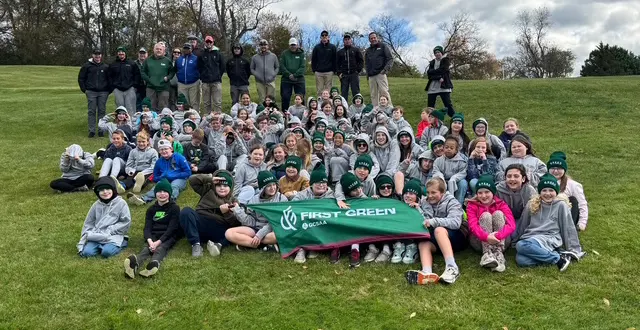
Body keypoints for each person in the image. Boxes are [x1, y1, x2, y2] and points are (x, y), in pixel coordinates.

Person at [513, 173, 584, 271]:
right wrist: (515, 239)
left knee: (521, 245)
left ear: (556, 192)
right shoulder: (531, 204)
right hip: (532, 237)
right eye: (544, 190)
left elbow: (568, 227)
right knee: (521, 260)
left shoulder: (561, 205)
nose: (547, 193)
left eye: (551, 190)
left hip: (550, 237)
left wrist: (574, 249)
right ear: (540, 192)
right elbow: (523, 223)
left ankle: (558, 260)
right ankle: (558, 255)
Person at [405, 177, 467, 285]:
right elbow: (425, 220)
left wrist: (434, 221)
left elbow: (455, 223)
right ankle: (426, 272)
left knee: (439, 230)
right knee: (424, 242)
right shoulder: (425, 201)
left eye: (433, 192)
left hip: (458, 235)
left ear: (442, 192)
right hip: (437, 238)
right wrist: (418, 209)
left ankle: (452, 268)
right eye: (428, 192)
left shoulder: (452, 201)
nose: (430, 196)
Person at [124, 179, 181, 278]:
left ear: (169, 193)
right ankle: (134, 265)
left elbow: (172, 228)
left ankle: (153, 264)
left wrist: (158, 242)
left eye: (165, 192)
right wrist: (150, 241)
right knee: (146, 249)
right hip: (153, 235)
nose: (162, 194)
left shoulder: (174, 208)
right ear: (155, 194)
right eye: (159, 191)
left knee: (161, 249)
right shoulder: (151, 210)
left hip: (168, 236)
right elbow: (147, 228)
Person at [227, 171, 288, 250]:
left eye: (274, 184)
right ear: (263, 188)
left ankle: (248, 243)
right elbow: (250, 221)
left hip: (273, 229)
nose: (273, 188)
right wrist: (237, 210)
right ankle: (260, 245)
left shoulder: (282, 199)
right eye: (268, 186)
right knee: (229, 233)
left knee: (280, 234)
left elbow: (275, 222)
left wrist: (259, 235)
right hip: (256, 228)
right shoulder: (255, 200)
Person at [466, 175, 516, 272]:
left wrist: (497, 235)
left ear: (493, 192)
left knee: (498, 214)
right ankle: (487, 254)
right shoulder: (472, 205)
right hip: (480, 241)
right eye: (480, 193)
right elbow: (473, 225)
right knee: (486, 216)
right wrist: (487, 237)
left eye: (487, 192)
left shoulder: (501, 204)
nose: (483, 196)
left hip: (500, 240)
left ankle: (498, 254)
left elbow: (511, 225)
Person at [77, 176, 131, 258]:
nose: (105, 192)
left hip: (112, 235)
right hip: (97, 234)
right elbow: (89, 222)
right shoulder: (96, 205)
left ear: (113, 189)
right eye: (101, 190)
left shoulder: (121, 203)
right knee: (87, 253)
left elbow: (125, 222)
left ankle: (122, 242)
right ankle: (99, 245)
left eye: (108, 189)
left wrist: (110, 230)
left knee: (106, 252)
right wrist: (87, 234)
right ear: (97, 192)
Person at [291, 164, 335, 263]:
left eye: (324, 182)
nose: (321, 185)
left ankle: (313, 247)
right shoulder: (302, 195)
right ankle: (301, 249)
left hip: (323, 225)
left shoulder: (332, 196)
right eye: (318, 182)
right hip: (305, 226)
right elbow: (292, 207)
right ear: (311, 184)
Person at [127, 139, 192, 205]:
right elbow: (155, 177)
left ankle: (170, 201)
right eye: (161, 149)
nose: (164, 151)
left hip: (179, 178)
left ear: (171, 149)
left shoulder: (179, 157)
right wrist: (161, 177)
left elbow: (188, 172)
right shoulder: (159, 162)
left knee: (174, 186)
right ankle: (143, 199)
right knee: (158, 186)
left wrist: (173, 176)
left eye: (166, 149)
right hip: (165, 179)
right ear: (159, 151)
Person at [547, 152, 589, 231]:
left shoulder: (573, 185)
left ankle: (568, 229)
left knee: (573, 200)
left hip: (566, 216)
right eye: (553, 168)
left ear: (564, 170)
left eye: (559, 168)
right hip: (548, 215)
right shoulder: (542, 182)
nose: (555, 171)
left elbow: (582, 205)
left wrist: (582, 223)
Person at [496, 164, 537, 237]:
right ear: (505, 178)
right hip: (504, 219)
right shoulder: (498, 189)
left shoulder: (530, 191)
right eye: (509, 176)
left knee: (515, 235)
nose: (512, 179)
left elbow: (535, 211)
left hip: (522, 219)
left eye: (516, 176)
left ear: (523, 178)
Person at [78, 48, 110, 138]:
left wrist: (108, 90)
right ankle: (92, 131)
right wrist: (85, 90)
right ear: (93, 55)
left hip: (103, 92)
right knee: (91, 111)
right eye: (96, 54)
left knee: (102, 111)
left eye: (99, 54)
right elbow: (81, 78)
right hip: (91, 92)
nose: (97, 56)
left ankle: (101, 130)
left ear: (101, 55)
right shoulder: (87, 66)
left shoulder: (105, 67)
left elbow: (110, 79)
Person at [432, 136, 468, 204]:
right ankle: (441, 203)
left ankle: (458, 204)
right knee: (435, 182)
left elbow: (463, 172)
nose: (448, 149)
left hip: (456, 182)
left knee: (463, 183)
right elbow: (436, 171)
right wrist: (441, 177)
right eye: (446, 147)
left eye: (451, 148)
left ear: (456, 150)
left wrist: (454, 178)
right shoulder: (438, 161)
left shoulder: (461, 161)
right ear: (443, 148)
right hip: (443, 181)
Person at [141, 43, 174, 111]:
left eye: (160, 49)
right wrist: (148, 79)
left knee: (163, 108)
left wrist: (167, 78)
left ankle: (162, 121)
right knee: (150, 107)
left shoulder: (167, 61)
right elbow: (143, 72)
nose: (158, 50)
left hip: (164, 87)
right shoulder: (148, 60)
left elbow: (172, 72)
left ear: (163, 51)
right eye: (157, 49)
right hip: (151, 87)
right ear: (154, 50)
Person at [109, 46, 140, 116]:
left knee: (130, 109)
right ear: (117, 54)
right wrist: (113, 88)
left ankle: (132, 125)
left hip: (130, 89)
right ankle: (121, 125)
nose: (121, 53)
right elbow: (109, 76)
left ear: (125, 53)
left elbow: (137, 75)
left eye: (122, 52)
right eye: (119, 52)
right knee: (120, 109)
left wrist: (134, 86)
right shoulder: (113, 64)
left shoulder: (132, 63)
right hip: (118, 90)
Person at [425, 46, 455, 117]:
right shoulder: (432, 62)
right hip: (433, 86)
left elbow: (443, 70)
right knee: (430, 105)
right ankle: (430, 119)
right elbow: (429, 74)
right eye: (435, 53)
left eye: (438, 52)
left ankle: (454, 118)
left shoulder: (445, 60)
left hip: (443, 85)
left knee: (447, 104)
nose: (437, 54)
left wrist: (433, 72)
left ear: (441, 53)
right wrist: (438, 77)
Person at [365, 32, 393, 106]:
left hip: (381, 74)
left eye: (374, 37)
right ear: (369, 40)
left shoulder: (383, 46)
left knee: (384, 92)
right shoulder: (368, 50)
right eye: (371, 38)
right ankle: (376, 111)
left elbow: (390, 59)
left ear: (377, 38)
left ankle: (389, 110)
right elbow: (367, 63)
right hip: (371, 76)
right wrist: (367, 74)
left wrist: (385, 70)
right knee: (373, 95)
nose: (373, 39)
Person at [199, 35, 226, 113]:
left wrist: (218, 75)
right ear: (205, 43)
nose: (209, 43)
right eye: (207, 42)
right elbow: (199, 67)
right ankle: (208, 118)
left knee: (217, 102)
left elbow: (222, 67)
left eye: (210, 42)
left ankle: (218, 119)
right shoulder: (202, 54)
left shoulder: (218, 54)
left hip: (216, 82)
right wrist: (202, 76)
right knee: (206, 103)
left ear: (213, 42)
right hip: (205, 82)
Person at [280, 38, 306, 110]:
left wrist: (295, 75)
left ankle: (302, 113)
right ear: (289, 45)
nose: (293, 46)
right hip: (286, 78)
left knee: (301, 97)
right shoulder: (284, 54)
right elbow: (282, 66)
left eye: (294, 45)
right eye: (291, 45)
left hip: (299, 78)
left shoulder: (301, 54)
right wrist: (289, 75)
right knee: (285, 96)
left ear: (297, 45)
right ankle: (285, 114)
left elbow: (303, 67)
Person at [336, 33, 364, 101]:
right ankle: (344, 108)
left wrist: (357, 70)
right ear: (343, 41)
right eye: (345, 39)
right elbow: (337, 64)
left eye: (348, 39)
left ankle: (357, 107)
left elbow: (361, 61)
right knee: (344, 92)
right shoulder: (340, 52)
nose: (347, 41)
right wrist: (339, 73)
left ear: (351, 40)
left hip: (354, 74)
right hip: (344, 75)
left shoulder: (356, 50)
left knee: (356, 92)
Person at [311, 30, 337, 96]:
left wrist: (334, 70)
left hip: (329, 72)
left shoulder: (332, 47)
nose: (324, 37)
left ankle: (328, 105)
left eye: (326, 36)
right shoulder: (317, 47)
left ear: (328, 37)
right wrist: (314, 70)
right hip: (319, 72)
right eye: (323, 36)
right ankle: (320, 105)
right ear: (321, 37)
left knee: (328, 91)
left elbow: (335, 59)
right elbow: (313, 59)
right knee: (319, 90)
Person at [176, 43, 201, 112]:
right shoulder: (179, 59)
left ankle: (195, 117)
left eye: (188, 48)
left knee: (194, 103)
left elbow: (200, 69)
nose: (186, 50)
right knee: (183, 102)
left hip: (194, 83)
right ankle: (185, 117)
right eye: (185, 48)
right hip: (182, 84)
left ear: (191, 49)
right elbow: (175, 70)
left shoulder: (196, 58)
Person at [135, 47, 148, 112]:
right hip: (138, 87)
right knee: (138, 104)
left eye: (144, 53)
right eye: (141, 53)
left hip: (148, 86)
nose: (142, 55)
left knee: (146, 104)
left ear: (147, 54)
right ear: (138, 54)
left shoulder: (149, 63)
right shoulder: (134, 63)